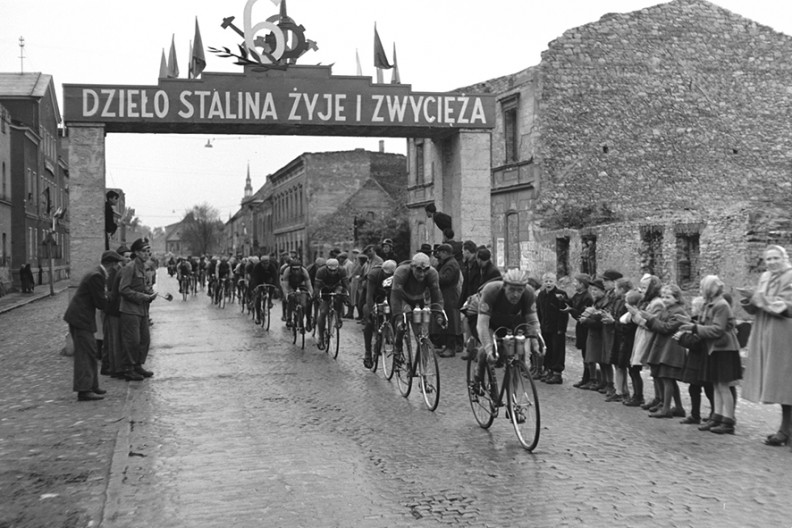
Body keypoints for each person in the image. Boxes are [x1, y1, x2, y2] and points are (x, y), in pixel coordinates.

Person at [739, 245, 792, 444]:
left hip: (785, 336)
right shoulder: (765, 277)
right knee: (779, 385)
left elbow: (786, 306)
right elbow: (758, 306)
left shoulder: (790, 276)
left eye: (775, 258)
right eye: (768, 259)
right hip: (766, 334)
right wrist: (748, 299)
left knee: (786, 384)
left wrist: (758, 298)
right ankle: (785, 430)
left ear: (784, 257)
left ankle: (786, 431)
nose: (771, 262)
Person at [677, 275, 742, 434]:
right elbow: (704, 325)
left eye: (703, 287)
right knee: (716, 385)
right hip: (714, 348)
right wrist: (689, 323)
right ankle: (717, 417)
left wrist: (693, 328)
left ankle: (728, 421)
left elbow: (717, 329)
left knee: (723, 386)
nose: (701, 290)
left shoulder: (721, 305)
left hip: (724, 349)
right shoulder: (710, 304)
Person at [64, 250, 125, 401]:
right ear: (111, 264)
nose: (117, 268)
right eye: (117, 264)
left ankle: (92, 385)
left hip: (83, 317)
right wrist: (113, 296)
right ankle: (84, 390)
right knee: (85, 353)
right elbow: (100, 302)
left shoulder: (97, 273)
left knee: (91, 351)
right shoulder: (97, 276)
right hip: (80, 318)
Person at [472, 269, 541, 394]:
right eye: (512, 290)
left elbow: (533, 321)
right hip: (485, 318)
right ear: (504, 286)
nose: (515, 294)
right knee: (488, 349)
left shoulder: (529, 293)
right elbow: (482, 325)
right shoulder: (491, 291)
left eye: (519, 290)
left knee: (515, 352)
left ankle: (512, 400)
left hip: (508, 319)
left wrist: (537, 342)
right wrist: (488, 348)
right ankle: (478, 376)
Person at [642, 284, 688, 418]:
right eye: (663, 297)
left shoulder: (678, 311)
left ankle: (666, 409)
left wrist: (650, 319)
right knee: (668, 379)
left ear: (677, 298)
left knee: (668, 378)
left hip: (672, 349)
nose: (665, 299)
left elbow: (666, 328)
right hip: (663, 347)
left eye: (668, 297)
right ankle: (678, 407)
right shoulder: (667, 310)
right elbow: (658, 325)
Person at [390, 253, 445, 357]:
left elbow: (437, 295)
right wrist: (398, 317)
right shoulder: (401, 272)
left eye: (425, 270)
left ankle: (422, 368)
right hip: (402, 299)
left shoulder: (433, 273)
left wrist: (438, 314)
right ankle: (398, 346)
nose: (422, 274)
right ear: (412, 267)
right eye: (419, 270)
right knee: (401, 325)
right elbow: (395, 297)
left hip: (418, 302)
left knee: (421, 334)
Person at [119, 238, 158, 381]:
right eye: (144, 251)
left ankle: (138, 365)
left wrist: (150, 292)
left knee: (145, 340)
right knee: (132, 341)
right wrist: (143, 296)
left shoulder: (144, 266)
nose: (147, 253)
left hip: (142, 310)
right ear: (136, 252)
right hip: (130, 310)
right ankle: (129, 368)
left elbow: (144, 285)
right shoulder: (130, 267)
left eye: (149, 251)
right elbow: (123, 289)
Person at [535, 272, 569, 384]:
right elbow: (539, 311)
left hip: (557, 328)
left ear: (555, 282)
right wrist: (539, 324)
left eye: (551, 281)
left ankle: (557, 373)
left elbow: (564, 312)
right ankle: (548, 369)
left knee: (557, 350)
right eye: (546, 281)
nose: (548, 283)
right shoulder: (541, 295)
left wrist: (561, 328)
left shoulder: (560, 294)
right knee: (547, 349)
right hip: (545, 327)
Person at [363, 259, 397, 368]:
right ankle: (367, 352)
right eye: (386, 274)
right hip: (374, 296)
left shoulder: (398, 275)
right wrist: (372, 309)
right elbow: (369, 295)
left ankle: (390, 337)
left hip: (388, 296)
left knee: (395, 315)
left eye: (390, 274)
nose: (388, 276)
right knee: (369, 322)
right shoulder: (374, 274)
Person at [564, 274, 594, 388]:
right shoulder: (577, 295)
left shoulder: (587, 297)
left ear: (582, 284)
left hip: (585, 328)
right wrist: (563, 299)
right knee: (583, 354)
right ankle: (585, 378)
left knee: (587, 354)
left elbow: (581, 314)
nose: (574, 284)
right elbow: (570, 303)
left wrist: (571, 310)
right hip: (580, 328)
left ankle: (590, 378)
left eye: (576, 282)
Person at [314, 258, 349, 349]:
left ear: (338, 268)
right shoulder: (320, 271)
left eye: (334, 270)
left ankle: (339, 316)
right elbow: (317, 287)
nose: (332, 273)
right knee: (323, 312)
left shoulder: (342, 270)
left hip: (336, 287)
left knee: (339, 294)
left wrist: (347, 295)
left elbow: (346, 284)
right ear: (326, 268)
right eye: (330, 270)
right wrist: (318, 297)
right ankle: (321, 338)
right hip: (324, 288)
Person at [434, 244, 461, 357]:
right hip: (446, 295)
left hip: (450, 295)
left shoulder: (451, 264)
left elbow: (446, 279)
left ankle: (451, 348)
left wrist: (434, 276)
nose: (438, 255)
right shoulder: (446, 263)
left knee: (451, 321)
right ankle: (447, 346)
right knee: (447, 320)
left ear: (445, 252)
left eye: (440, 252)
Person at [281, 258, 314, 329]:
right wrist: (286, 295)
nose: (296, 271)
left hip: (301, 284)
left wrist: (311, 294)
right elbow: (285, 285)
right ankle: (289, 318)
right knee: (291, 297)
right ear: (290, 268)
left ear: (300, 268)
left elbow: (309, 284)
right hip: (290, 285)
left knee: (306, 302)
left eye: (298, 269)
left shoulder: (304, 271)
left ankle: (308, 320)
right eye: (294, 269)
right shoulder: (287, 271)